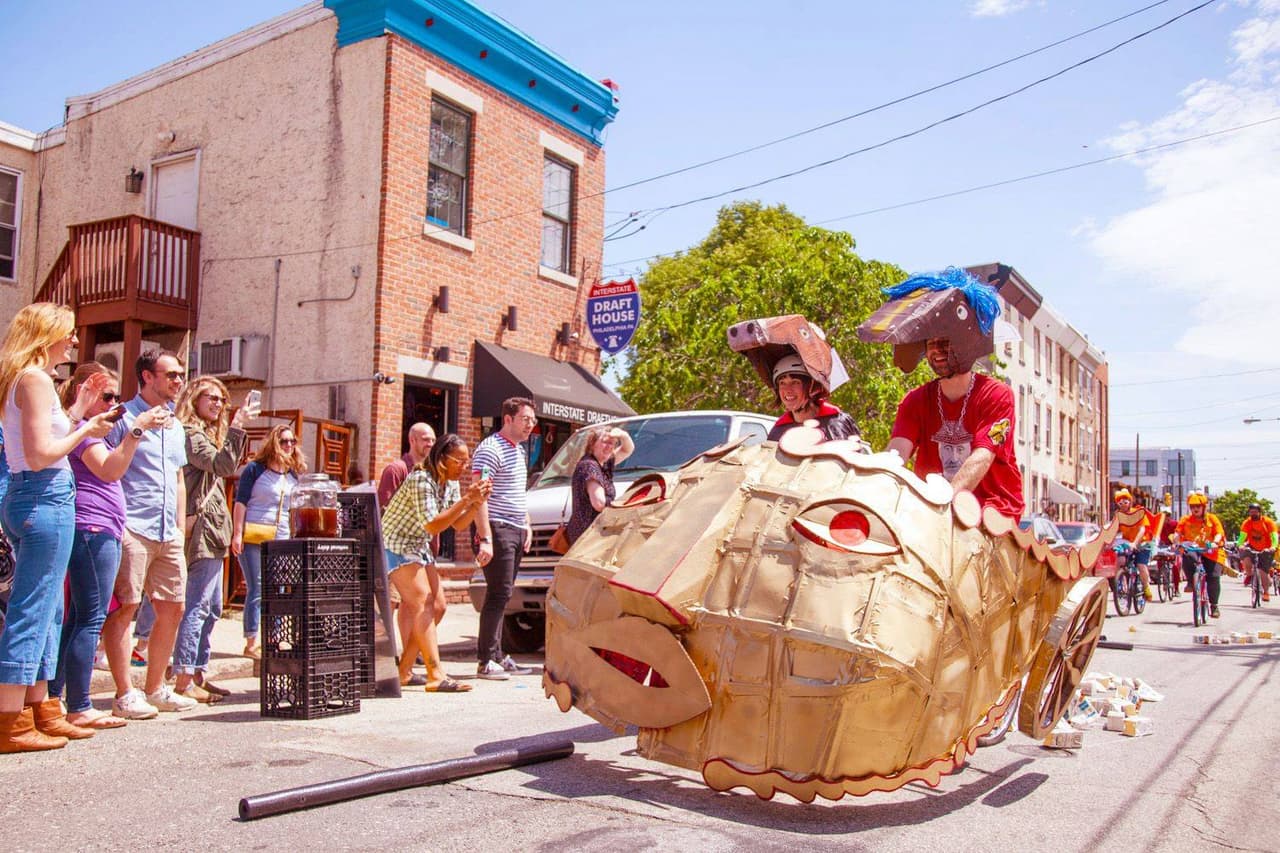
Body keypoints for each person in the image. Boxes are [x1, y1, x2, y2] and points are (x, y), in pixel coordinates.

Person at [0, 303, 117, 752]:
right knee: (33, 608)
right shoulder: (32, 378)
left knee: (50, 609)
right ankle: (11, 720)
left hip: (40, 497)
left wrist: (77, 414)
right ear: (46, 334)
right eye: (68, 333)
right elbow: (39, 454)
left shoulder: (31, 380)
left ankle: (40, 709)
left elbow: (38, 441)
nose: (73, 341)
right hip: (42, 495)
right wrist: (86, 426)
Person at [47, 363, 163, 730]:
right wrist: (137, 432)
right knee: (90, 618)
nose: (115, 404)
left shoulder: (88, 431)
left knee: (79, 617)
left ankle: (56, 696)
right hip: (92, 527)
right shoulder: (84, 432)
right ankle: (78, 705)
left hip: (97, 527)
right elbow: (110, 471)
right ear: (84, 392)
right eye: (108, 396)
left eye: (116, 396)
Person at [860, 267, 1024, 518]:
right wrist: (875, 486)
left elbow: (982, 456)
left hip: (991, 512)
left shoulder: (997, 395)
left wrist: (942, 502)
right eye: (930, 343)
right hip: (932, 514)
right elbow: (896, 453)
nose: (936, 351)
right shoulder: (915, 401)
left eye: (944, 342)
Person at [99, 349, 194, 718]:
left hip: (167, 528)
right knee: (126, 607)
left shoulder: (176, 424)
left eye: (180, 375)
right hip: (132, 525)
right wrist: (138, 428)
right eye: (170, 374)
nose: (177, 381)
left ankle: (156, 688)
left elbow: (178, 477)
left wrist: (180, 526)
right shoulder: (123, 416)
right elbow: (105, 467)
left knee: (174, 607)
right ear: (146, 376)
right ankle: (125, 693)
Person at [381, 433, 490, 691]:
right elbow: (432, 523)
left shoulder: (449, 483)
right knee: (422, 602)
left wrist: (476, 503)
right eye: (459, 461)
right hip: (396, 543)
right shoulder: (421, 479)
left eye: (467, 462)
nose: (464, 467)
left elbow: (457, 523)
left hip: (418, 544)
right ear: (442, 459)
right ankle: (435, 674)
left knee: (439, 606)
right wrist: (467, 499)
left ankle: (405, 670)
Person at [170, 376, 251, 701]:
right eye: (211, 398)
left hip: (214, 531)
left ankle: (199, 672)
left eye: (221, 399)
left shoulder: (205, 434)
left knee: (214, 608)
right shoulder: (190, 433)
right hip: (202, 530)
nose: (218, 404)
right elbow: (223, 465)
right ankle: (184, 677)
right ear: (194, 399)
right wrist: (238, 426)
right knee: (198, 606)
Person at [471, 396, 537, 680]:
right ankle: (485, 660)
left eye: (533, 421)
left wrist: (527, 525)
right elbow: (478, 494)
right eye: (525, 420)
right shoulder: (489, 449)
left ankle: (498, 655)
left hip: (515, 528)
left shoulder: (519, 451)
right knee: (498, 594)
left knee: (505, 593)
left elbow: (518, 494)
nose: (530, 426)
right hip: (496, 528)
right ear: (508, 419)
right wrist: (485, 537)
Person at [231, 424, 304, 659]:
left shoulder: (293, 474)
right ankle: (251, 641)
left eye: (292, 441)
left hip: (282, 536)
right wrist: (237, 533)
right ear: (273, 442)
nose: (289, 446)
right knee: (258, 588)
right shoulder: (255, 469)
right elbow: (240, 501)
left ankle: (274, 638)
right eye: (284, 441)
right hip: (254, 533)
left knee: (280, 590)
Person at [726, 314, 859, 443]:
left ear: (812, 386)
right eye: (782, 383)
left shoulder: (835, 422)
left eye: (795, 382)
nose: (787, 390)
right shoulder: (779, 431)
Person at [566, 426, 634, 546]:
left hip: (594, 532)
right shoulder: (589, 466)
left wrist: (622, 435)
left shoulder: (603, 464)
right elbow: (599, 504)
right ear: (592, 444)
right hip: (587, 534)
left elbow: (627, 449)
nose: (609, 447)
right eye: (605, 442)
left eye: (612, 443)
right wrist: (622, 506)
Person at [1172, 492, 1227, 618]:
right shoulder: (1185, 519)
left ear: (1203, 507)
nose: (1195, 509)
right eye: (1192, 506)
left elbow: (1219, 532)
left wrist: (1215, 542)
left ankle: (1214, 606)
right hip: (1193, 549)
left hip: (1211, 551)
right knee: (1186, 555)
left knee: (1213, 577)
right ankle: (1191, 582)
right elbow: (1177, 533)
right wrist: (1176, 542)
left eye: (1197, 506)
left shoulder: (1212, 518)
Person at [377, 422, 435, 509]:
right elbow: (382, 508)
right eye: (426, 440)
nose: (431, 444)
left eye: (433, 440)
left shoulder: (431, 471)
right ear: (412, 440)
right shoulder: (396, 469)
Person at [1113, 489, 1156, 602]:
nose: (1123, 504)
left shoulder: (1139, 513)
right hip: (1127, 544)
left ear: (1130, 501)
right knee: (1120, 561)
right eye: (1120, 502)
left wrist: (1135, 543)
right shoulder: (1118, 516)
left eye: (1125, 501)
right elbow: (1113, 531)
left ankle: (1146, 587)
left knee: (1141, 565)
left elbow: (1142, 530)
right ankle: (1121, 585)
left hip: (1142, 543)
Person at [1236, 502, 1276, 603]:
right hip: (1252, 546)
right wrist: (1240, 544)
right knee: (1246, 558)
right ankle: (1249, 574)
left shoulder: (1268, 522)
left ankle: (1266, 592)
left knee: (1263, 571)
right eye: (1251, 512)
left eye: (1255, 512)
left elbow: (1274, 537)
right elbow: (1242, 537)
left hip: (1266, 549)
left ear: (1259, 512)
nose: (1253, 514)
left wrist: (1273, 547)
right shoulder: (1247, 522)